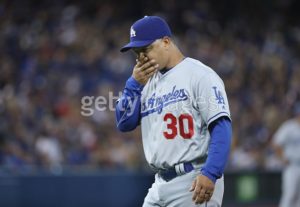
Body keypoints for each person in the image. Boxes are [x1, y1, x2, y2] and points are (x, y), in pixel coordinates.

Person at [115, 16, 232, 207]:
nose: (141, 58)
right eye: (137, 53)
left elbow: (221, 126)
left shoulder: (199, 75)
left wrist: (211, 173)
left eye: (146, 49)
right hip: (159, 184)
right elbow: (124, 123)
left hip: (193, 179)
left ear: (166, 42)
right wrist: (133, 84)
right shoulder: (145, 82)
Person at [272, 103, 300, 207]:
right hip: (292, 166)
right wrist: (282, 158)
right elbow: (275, 143)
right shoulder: (289, 126)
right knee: (289, 194)